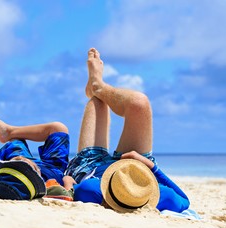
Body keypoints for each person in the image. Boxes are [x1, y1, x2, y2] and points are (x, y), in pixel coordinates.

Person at [66, 48, 190, 213]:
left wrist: (67, 180)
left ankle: (95, 88)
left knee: (98, 103)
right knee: (139, 104)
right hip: (138, 171)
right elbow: (185, 200)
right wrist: (151, 168)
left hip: (91, 165)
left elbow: (69, 184)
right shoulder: (164, 197)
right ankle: (98, 87)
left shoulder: (90, 190)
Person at [0, 113, 75, 200]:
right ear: (36, 174)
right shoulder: (50, 188)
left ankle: (9, 133)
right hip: (53, 170)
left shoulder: (0, 184)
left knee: (16, 143)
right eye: (26, 165)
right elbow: (67, 194)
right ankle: (10, 133)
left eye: (19, 162)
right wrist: (68, 180)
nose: (24, 160)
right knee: (58, 128)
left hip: (12, 169)